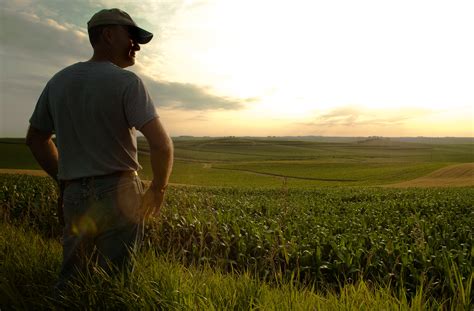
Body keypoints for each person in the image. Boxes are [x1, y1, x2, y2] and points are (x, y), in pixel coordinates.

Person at [25, 8, 173, 291]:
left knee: (72, 281)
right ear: (108, 35)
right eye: (131, 35)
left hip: (74, 195)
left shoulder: (58, 81)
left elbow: (36, 139)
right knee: (114, 284)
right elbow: (161, 144)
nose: (137, 45)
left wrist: (65, 180)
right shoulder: (127, 82)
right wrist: (158, 188)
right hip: (120, 194)